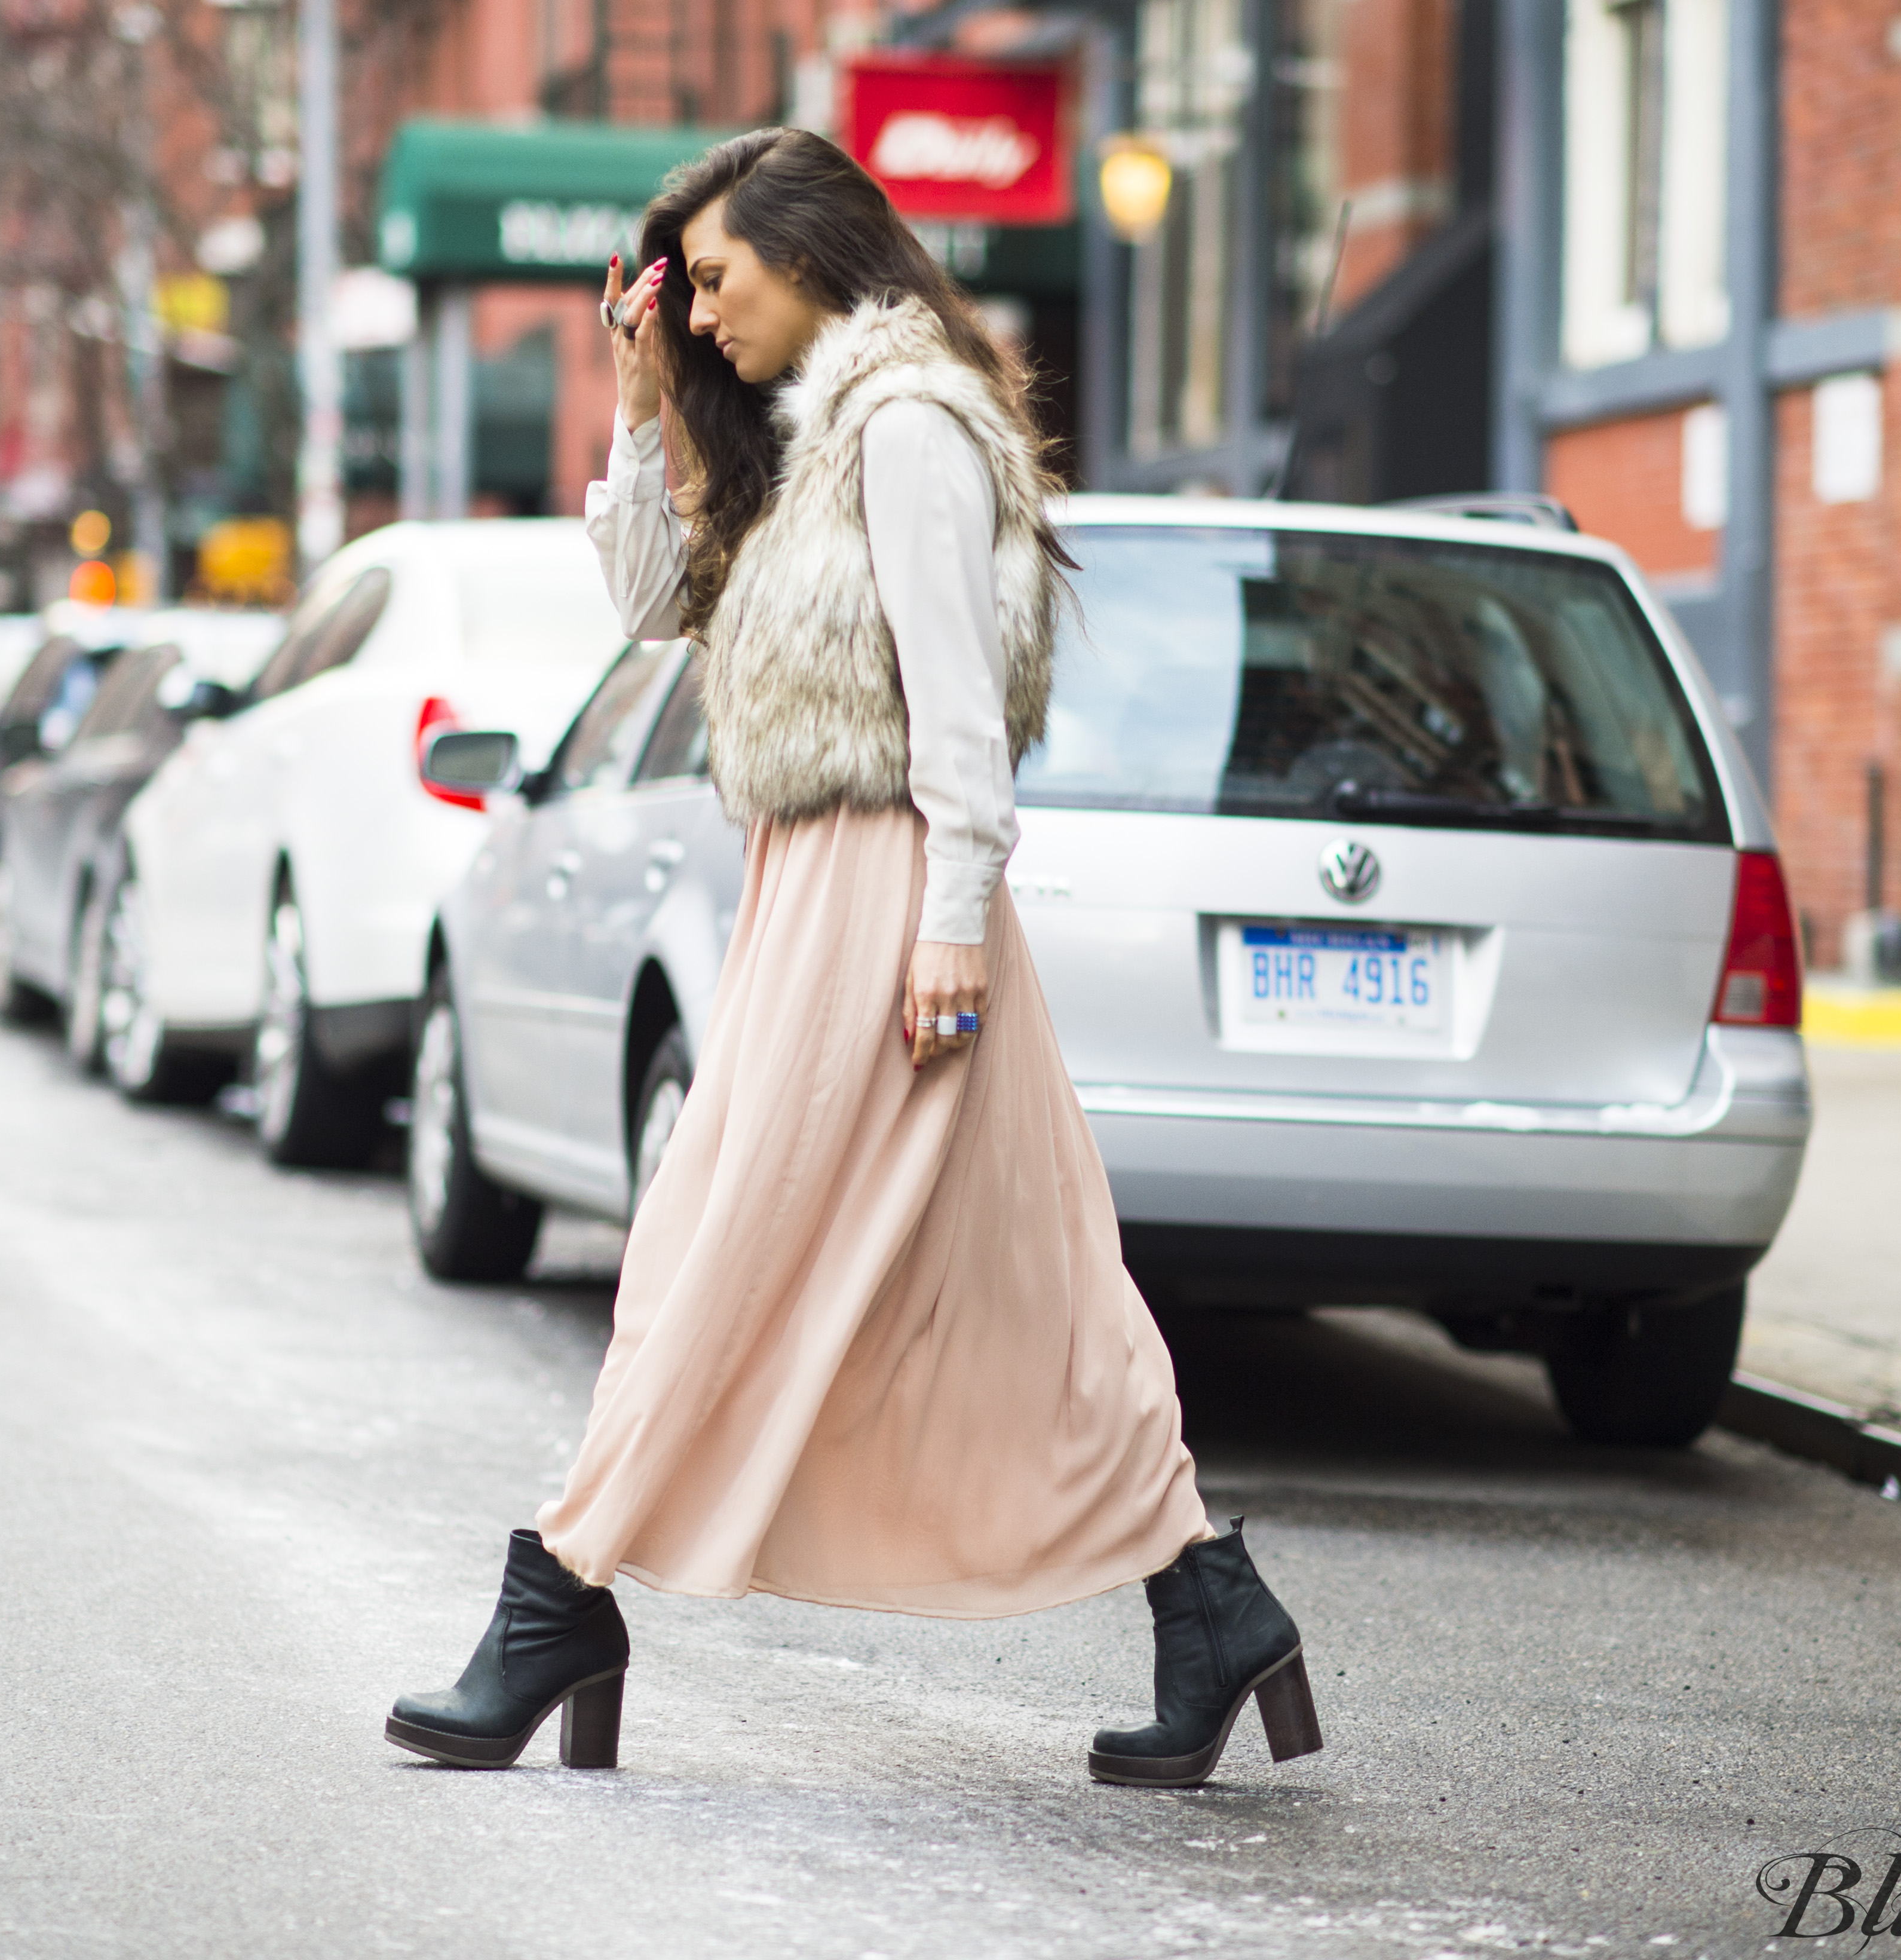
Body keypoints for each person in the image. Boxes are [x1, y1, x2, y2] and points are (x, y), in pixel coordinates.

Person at [385, 127, 1319, 1790]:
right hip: (819, 888)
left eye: (724, 283)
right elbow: (657, 609)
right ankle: (1212, 1606)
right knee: (1031, 1288)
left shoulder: (905, 428)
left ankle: (560, 1596)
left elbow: (962, 707)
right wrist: (645, 394)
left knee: (706, 1251)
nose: (713, 315)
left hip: (889, 892)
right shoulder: (811, 438)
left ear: (811, 252)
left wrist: (952, 915)